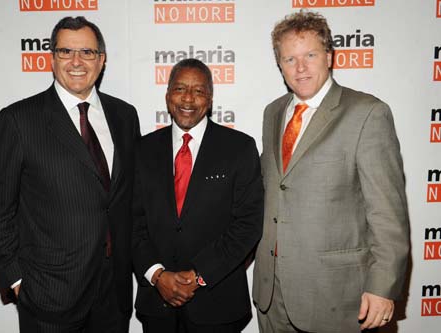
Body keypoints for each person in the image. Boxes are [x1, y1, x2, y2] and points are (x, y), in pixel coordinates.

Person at [252, 10, 409, 333]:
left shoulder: (367, 114)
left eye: (309, 55)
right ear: (279, 65)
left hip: (336, 297)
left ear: (329, 55)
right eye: (289, 59)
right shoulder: (273, 113)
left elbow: (387, 214)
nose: (300, 67)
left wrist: (382, 288)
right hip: (272, 293)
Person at [0, 16, 140, 332]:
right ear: (52, 59)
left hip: (114, 294)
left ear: (102, 60)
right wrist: (15, 280)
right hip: (49, 296)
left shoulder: (124, 115)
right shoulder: (18, 121)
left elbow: (126, 201)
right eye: (66, 52)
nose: (77, 62)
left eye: (88, 52)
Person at [132, 58, 264, 333]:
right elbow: (132, 223)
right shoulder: (143, 150)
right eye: (180, 89)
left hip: (218, 306)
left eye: (199, 91)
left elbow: (248, 224)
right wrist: (158, 275)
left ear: (210, 98)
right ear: (168, 95)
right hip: (157, 308)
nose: (188, 99)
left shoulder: (239, 148)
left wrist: (199, 275)